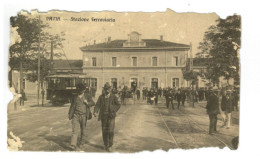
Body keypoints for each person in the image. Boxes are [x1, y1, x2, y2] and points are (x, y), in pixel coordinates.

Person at [93, 82, 121, 152]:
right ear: (104, 89)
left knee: (111, 131)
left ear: (110, 89)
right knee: (104, 131)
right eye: (106, 89)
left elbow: (118, 105)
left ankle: (110, 145)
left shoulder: (114, 96)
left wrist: (113, 110)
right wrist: (95, 111)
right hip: (103, 116)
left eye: (108, 89)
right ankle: (106, 144)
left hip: (111, 116)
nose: (107, 90)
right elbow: (97, 105)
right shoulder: (101, 97)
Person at [68, 83, 95, 150]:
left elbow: (93, 103)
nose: (80, 91)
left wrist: (87, 103)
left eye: (81, 90)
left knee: (83, 129)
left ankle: (82, 143)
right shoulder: (75, 96)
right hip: (75, 115)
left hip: (84, 115)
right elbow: (72, 106)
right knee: (75, 130)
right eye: (79, 90)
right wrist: (70, 114)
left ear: (83, 90)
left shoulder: (87, 96)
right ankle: (73, 144)